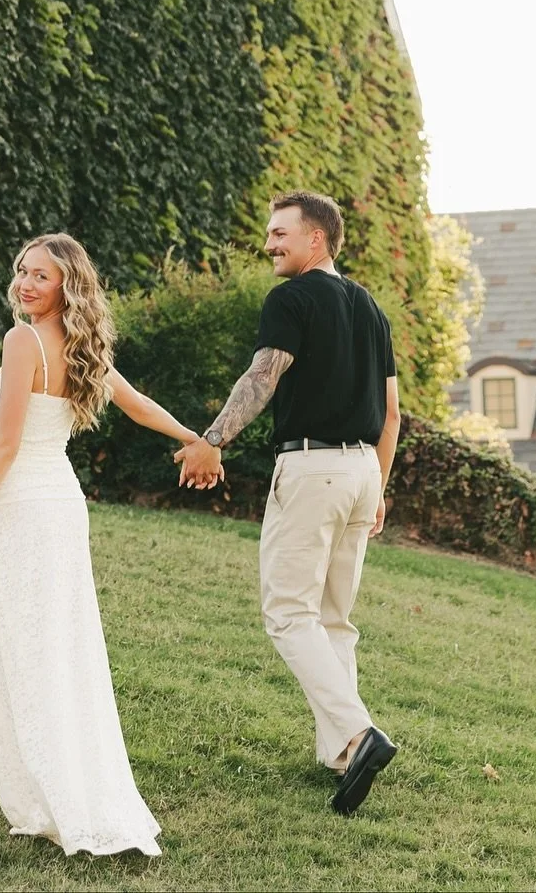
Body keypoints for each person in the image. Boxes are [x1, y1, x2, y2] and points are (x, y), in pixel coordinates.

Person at [0, 231, 216, 857]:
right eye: (22, 270)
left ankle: (60, 799)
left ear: (67, 285)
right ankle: (65, 794)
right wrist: (195, 437)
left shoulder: (22, 341)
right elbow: (139, 406)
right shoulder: (80, 346)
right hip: (60, 507)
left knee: (32, 653)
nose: (25, 283)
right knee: (62, 650)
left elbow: (5, 445)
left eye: (41, 275)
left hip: (22, 506)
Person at [175, 190, 401, 817]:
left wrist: (211, 440)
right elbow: (392, 414)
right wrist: (379, 486)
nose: (268, 243)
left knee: (288, 613)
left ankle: (359, 733)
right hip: (362, 471)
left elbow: (262, 377)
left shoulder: (292, 298)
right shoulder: (370, 307)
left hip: (313, 469)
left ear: (316, 239)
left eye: (280, 234)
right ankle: (343, 754)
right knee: (334, 619)